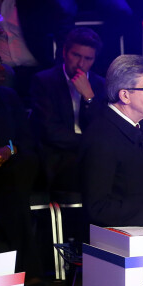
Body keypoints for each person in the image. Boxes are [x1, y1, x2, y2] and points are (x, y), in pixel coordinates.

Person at [79, 55, 143, 227]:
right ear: (125, 96)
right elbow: (97, 207)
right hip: (116, 243)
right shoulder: (101, 137)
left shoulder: (139, 128)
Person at [0, 40, 40, 277]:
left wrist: (9, 149)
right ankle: (28, 273)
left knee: (19, 169)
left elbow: (25, 141)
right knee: (15, 200)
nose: (3, 69)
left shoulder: (8, 97)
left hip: (7, 172)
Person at [31, 27, 106, 192]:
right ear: (64, 52)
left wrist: (89, 96)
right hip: (58, 154)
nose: (81, 64)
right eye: (76, 55)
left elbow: (102, 128)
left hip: (92, 153)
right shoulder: (44, 81)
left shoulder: (100, 84)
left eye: (88, 58)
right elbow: (50, 131)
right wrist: (90, 144)